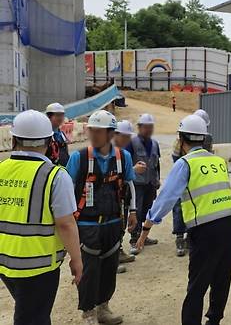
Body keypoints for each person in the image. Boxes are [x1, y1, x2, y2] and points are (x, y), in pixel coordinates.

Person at [136, 114, 231, 325]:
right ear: (203, 138)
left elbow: (166, 198)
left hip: (205, 230)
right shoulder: (218, 161)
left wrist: (147, 225)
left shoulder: (185, 163)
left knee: (197, 286)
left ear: (181, 140)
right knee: (222, 279)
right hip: (230, 224)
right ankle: (214, 321)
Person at [0, 110, 83, 325]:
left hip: (4, 262)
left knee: (30, 312)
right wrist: (77, 258)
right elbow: (66, 224)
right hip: (38, 267)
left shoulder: (1, 170)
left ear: (14, 139)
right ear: (49, 142)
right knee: (32, 318)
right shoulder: (55, 175)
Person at [66, 110, 138, 325]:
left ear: (110, 134)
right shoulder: (79, 157)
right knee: (89, 271)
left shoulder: (122, 157)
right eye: (92, 131)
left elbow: (129, 185)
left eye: (99, 131)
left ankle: (103, 307)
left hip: (114, 223)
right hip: (87, 224)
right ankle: (88, 313)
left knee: (109, 269)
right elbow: (67, 189)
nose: (94, 135)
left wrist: (133, 212)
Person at [171, 109, 214, 257]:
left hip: (198, 176)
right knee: (179, 207)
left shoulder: (207, 138)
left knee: (196, 206)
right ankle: (179, 237)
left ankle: (191, 237)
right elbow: (175, 157)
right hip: (185, 173)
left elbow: (208, 155)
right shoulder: (181, 138)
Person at [113, 120, 146, 272]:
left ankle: (117, 251)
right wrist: (134, 169)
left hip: (121, 197)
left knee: (120, 224)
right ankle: (110, 259)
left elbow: (128, 180)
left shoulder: (124, 154)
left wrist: (133, 210)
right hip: (107, 199)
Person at [127, 113, 161, 253]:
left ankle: (143, 236)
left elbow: (156, 163)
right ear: (139, 127)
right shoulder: (131, 143)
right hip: (137, 184)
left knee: (147, 210)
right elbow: (126, 163)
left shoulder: (155, 144)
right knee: (137, 210)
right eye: (145, 127)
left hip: (150, 183)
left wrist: (157, 179)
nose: (148, 130)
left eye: (150, 127)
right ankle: (134, 238)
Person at [44, 102, 70, 166]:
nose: (60, 118)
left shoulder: (61, 134)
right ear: (49, 116)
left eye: (62, 115)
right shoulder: (44, 135)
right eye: (58, 115)